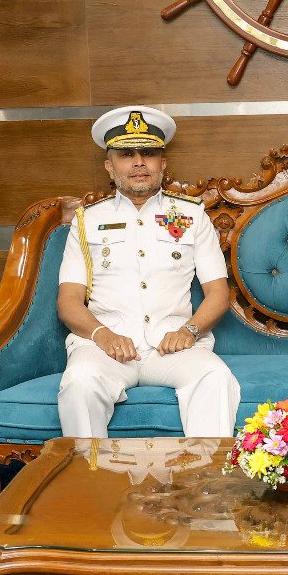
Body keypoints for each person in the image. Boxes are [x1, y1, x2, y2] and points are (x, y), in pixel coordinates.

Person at [56, 106, 240, 438]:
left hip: (172, 347)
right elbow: (69, 301)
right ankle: (88, 471)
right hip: (106, 348)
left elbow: (218, 293)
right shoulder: (88, 220)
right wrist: (103, 335)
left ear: (162, 163)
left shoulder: (191, 215)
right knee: (80, 382)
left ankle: (208, 472)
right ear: (110, 166)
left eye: (149, 153)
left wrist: (190, 330)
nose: (139, 162)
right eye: (127, 155)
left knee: (215, 377)